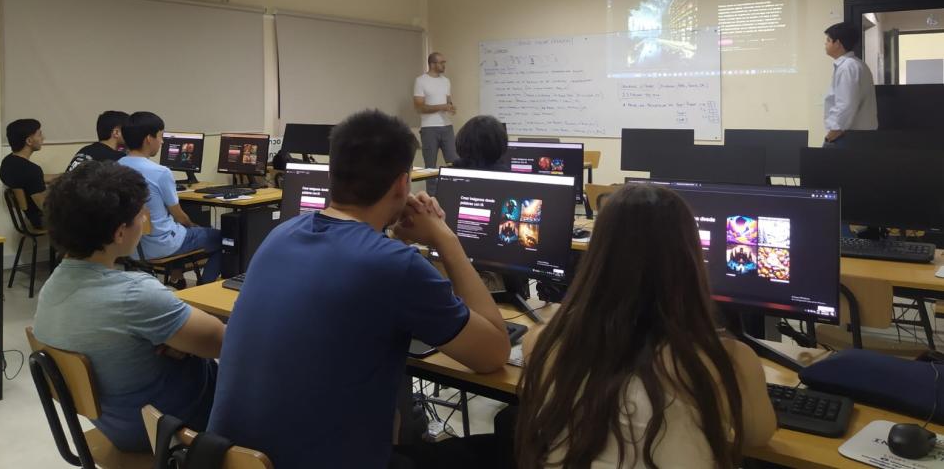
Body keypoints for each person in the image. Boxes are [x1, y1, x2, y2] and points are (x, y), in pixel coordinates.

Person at [208, 109, 509, 469]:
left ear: (333, 174)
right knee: (510, 442)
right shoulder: (394, 264)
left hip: (233, 459)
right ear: (402, 184)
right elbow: (493, 353)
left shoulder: (282, 234)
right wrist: (444, 238)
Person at [516, 183, 776, 469]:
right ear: (690, 261)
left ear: (596, 255)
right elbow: (758, 437)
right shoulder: (729, 361)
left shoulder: (541, 342)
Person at [33, 161, 224, 452]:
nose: (145, 219)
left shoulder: (52, 286)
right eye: (141, 215)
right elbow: (223, 343)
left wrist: (169, 341)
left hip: (116, 424)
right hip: (167, 429)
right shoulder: (135, 294)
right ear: (120, 233)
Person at [118, 112, 222, 284]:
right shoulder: (161, 173)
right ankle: (204, 287)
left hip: (131, 245)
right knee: (222, 237)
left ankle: (176, 276)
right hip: (162, 244)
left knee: (180, 230)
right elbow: (179, 216)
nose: (162, 142)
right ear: (148, 139)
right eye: (161, 136)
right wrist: (193, 225)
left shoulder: (115, 167)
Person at [823, 22, 877, 146]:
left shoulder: (847, 67)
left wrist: (830, 137)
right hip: (857, 136)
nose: (825, 43)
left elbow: (846, 105)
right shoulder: (856, 64)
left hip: (847, 137)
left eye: (828, 40)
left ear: (838, 44)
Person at [414, 52, 458, 176]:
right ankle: (431, 195)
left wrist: (450, 107)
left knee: (454, 163)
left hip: (447, 127)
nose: (444, 65)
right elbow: (419, 107)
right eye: (441, 62)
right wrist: (441, 107)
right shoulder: (420, 81)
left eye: (444, 62)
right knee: (430, 169)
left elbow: (448, 101)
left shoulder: (446, 81)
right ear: (432, 64)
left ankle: (454, 193)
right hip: (429, 129)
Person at [0, 118, 47, 227]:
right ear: (29, 141)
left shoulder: (8, 162)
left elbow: (28, 180)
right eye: (39, 135)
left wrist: (60, 176)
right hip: (40, 220)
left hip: (26, 219)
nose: (43, 138)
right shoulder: (32, 170)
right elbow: (45, 206)